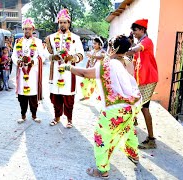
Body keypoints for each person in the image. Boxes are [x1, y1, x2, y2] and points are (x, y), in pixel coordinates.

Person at [60, 35, 142, 178]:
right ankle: (134, 155)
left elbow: (85, 73)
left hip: (113, 109)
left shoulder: (107, 64)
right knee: (128, 130)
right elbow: (129, 83)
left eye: (110, 46)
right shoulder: (128, 62)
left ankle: (102, 170)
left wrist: (67, 66)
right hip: (130, 107)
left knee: (101, 137)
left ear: (114, 48)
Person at [45, 8, 84, 128]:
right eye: (60, 22)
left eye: (65, 22)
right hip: (55, 72)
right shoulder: (50, 38)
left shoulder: (75, 38)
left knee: (68, 97)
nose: (62, 24)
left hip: (68, 72)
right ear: (58, 23)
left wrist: (72, 58)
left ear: (69, 23)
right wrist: (53, 57)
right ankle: (56, 117)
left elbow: (81, 55)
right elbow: (45, 54)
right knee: (55, 96)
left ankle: (69, 119)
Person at [126, 18, 158, 149]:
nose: (133, 32)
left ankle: (151, 139)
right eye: (133, 30)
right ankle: (134, 120)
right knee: (135, 102)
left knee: (144, 107)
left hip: (148, 79)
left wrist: (121, 51)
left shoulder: (146, 41)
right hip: (142, 79)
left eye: (135, 30)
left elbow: (135, 50)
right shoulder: (139, 40)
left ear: (143, 30)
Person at [11, 18, 45, 124]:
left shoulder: (38, 42)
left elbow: (42, 56)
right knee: (22, 96)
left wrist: (32, 61)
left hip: (33, 73)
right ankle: (23, 115)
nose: (27, 31)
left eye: (29, 29)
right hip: (21, 72)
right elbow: (13, 56)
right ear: (23, 30)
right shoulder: (18, 42)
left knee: (33, 95)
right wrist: (18, 62)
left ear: (32, 30)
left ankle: (34, 115)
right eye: (25, 29)